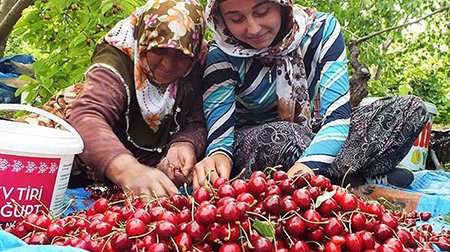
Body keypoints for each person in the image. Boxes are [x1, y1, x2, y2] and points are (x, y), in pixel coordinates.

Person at [193, 0, 428, 189]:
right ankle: (352, 179)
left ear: (283, 5)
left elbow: (337, 118)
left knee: (410, 109)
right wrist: (218, 157)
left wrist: (308, 166)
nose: (253, 28)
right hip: (265, 144)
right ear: (221, 19)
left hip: (317, 133)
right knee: (283, 135)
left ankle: (330, 178)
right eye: (236, 19)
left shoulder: (322, 31)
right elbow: (221, 136)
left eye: (262, 11)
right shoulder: (221, 55)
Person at [19, 0, 208, 197]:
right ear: (143, 43)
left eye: (180, 56)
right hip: (74, 140)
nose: (168, 65)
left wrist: (184, 143)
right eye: (159, 51)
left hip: (135, 160)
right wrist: (127, 169)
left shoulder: (196, 63)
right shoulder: (118, 58)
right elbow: (89, 117)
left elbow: (197, 119)